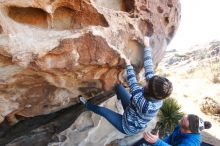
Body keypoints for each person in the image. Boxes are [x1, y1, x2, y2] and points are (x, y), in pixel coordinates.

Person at [80, 36, 173, 135]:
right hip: (132, 108)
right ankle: (116, 100)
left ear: (150, 92)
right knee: (119, 88)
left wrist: (128, 65)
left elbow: (133, 83)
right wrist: (147, 46)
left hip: (128, 125)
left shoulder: (145, 105)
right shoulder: (157, 93)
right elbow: (149, 68)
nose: (147, 82)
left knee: (101, 110)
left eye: (147, 85)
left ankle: (86, 104)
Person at [142, 114, 212, 146]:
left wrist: (157, 142)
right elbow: (171, 137)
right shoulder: (181, 125)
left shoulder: (191, 143)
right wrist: (158, 142)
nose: (179, 121)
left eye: (181, 122)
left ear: (189, 131)